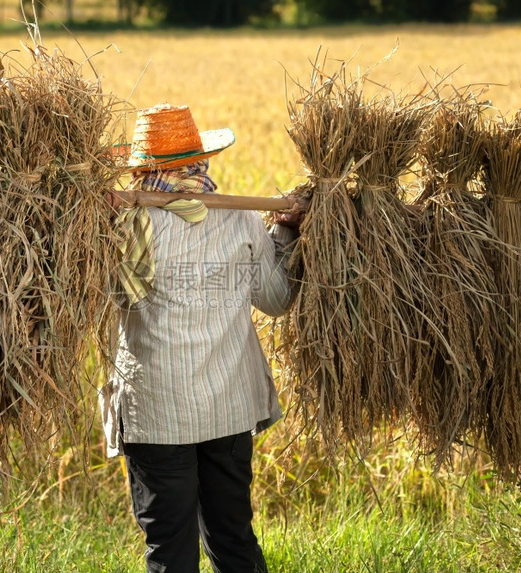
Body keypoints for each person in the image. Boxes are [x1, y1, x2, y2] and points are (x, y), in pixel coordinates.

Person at [101, 103, 301, 573]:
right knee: (233, 542)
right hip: (228, 409)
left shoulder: (124, 227)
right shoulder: (240, 219)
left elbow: (97, 299)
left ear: (144, 170)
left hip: (157, 414)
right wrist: (285, 233)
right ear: (199, 162)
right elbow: (275, 299)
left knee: (170, 552)